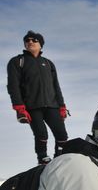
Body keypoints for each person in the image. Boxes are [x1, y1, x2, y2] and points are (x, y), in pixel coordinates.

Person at [6, 30, 69, 165]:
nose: (30, 42)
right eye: (27, 40)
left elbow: (56, 86)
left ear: (41, 44)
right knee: (41, 134)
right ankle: (42, 158)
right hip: (32, 106)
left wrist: (62, 105)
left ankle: (60, 156)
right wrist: (18, 106)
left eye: (34, 40)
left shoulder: (48, 63)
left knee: (62, 135)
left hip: (52, 105)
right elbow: (13, 85)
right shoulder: (18, 61)